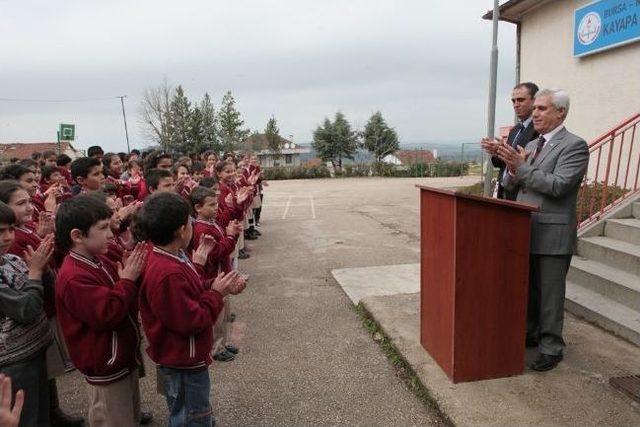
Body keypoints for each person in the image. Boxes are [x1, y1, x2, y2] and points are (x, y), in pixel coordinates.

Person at [496, 88, 589, 372]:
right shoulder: (535, 144)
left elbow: (559, 186)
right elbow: (512, 184)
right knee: (529, 290)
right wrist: (512, 168)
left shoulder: (574, 145)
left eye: (542, 109)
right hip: (526, 229)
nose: (534, 113)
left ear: (561, 112)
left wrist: (521, 168)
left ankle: (552, 347)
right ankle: (531, 333)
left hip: (552, 232)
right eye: (534, 108)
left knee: (549, 294)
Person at [136, 192, 247, 426]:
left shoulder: (173, 257)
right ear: (181, 231)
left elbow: (191, 289)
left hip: (184, 357)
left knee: (193, 410)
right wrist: (216, 294)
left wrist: (217, 286)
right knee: (189, 415)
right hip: (182, 360)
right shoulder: (167, 271)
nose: (192, 227)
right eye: (190, 222)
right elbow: (191, 320)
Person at [55, 195, 151, 426]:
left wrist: (131, 277)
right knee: (111, 414)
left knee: (127, 410)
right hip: (104, 361)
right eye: (103, 228)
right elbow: (105, 314)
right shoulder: (73, 276)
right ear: (77, 236)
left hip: (119, 355)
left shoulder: (98, 258)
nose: (110, 234)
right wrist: (127, 281)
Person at [0, 201, 54, 427]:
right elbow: (27, 309)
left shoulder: (11, 261)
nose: (7, 237)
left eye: (10, 229)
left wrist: (41, 269)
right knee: (25, 416)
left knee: (42, 412)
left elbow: (45, 293)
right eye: (0, 232)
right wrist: (34, 272)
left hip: (35, 349)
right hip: (14, 361)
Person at [189, 186, 243, 362]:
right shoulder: (200, 229)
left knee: (223, 312)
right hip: (213, 277)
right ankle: (215, 348)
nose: (215, 208)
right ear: (198, 208)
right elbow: (215, 254)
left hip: (221, 274)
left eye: (215, 204)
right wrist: (229, 237)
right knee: (217, 315)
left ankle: (222, 342)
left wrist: (231, 235)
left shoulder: (211, 223)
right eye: (211, 205)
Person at [482, 82, 539, 200]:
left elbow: (529, 162)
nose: (516, 105)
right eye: (513, 101)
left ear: (535, 100)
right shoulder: (515, 130)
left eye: (521, 100)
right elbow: (503, 164)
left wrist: (503, 151)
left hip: (522, 193)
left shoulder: (539, 129)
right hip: (504, 192)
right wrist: (497, 151)